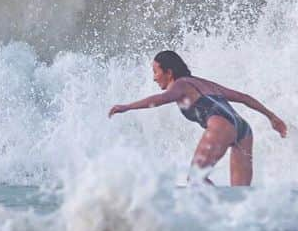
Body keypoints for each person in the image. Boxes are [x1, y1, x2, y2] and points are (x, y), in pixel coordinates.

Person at [108, 50, 287, 186]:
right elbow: (244, 98)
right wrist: (272, 117)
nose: (154, 78)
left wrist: (127, 107)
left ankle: (215, 211)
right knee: (239, 196)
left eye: (155, 72)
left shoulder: (180, 84)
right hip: (243, 130)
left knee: (195, 180)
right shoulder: (203, 83)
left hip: (221, 125)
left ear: (168, 72)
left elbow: (161, 99)